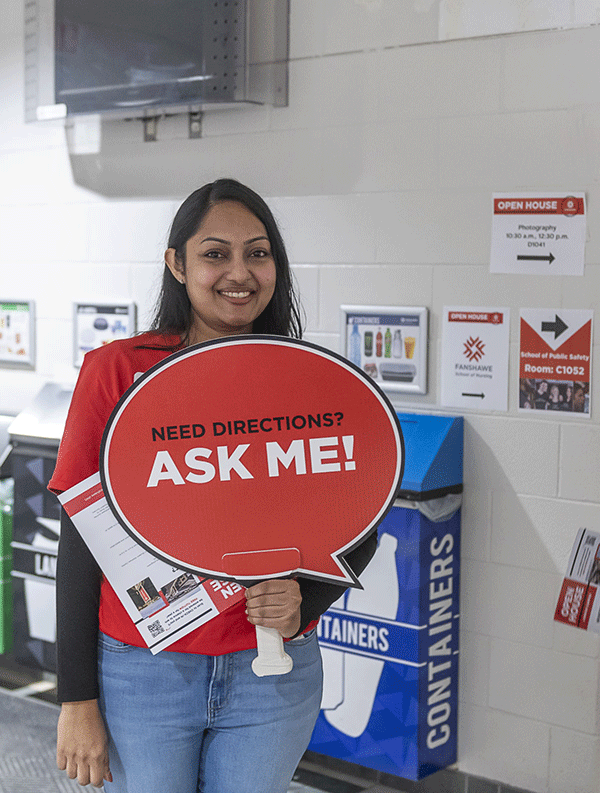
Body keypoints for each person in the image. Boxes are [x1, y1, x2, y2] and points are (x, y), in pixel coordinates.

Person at [48, 179, 377, 793]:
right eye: (215, 253)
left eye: (258, 252)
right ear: (176, 264)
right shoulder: (119, 371)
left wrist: (306, 600)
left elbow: (361, 522)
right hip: (143, 673)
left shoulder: (308, 379)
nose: (240, 272)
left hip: (273, 672)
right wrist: (76, 700)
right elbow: (80, 541)